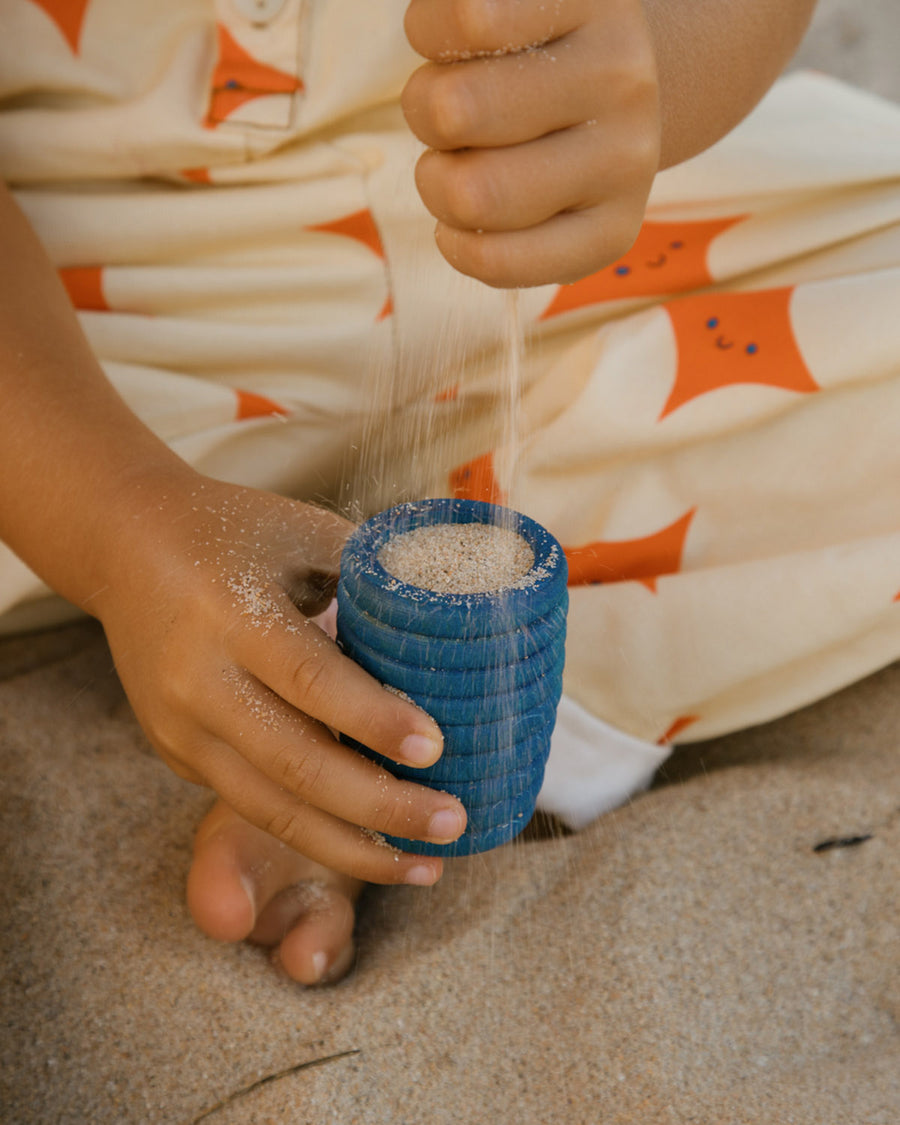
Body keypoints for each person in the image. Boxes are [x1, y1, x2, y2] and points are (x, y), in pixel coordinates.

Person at [2, 0, 899, 985]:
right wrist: (111, 514)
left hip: (557, 214)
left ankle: (436, 725)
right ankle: (360, 709)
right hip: (81, 322)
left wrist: (655, 74)